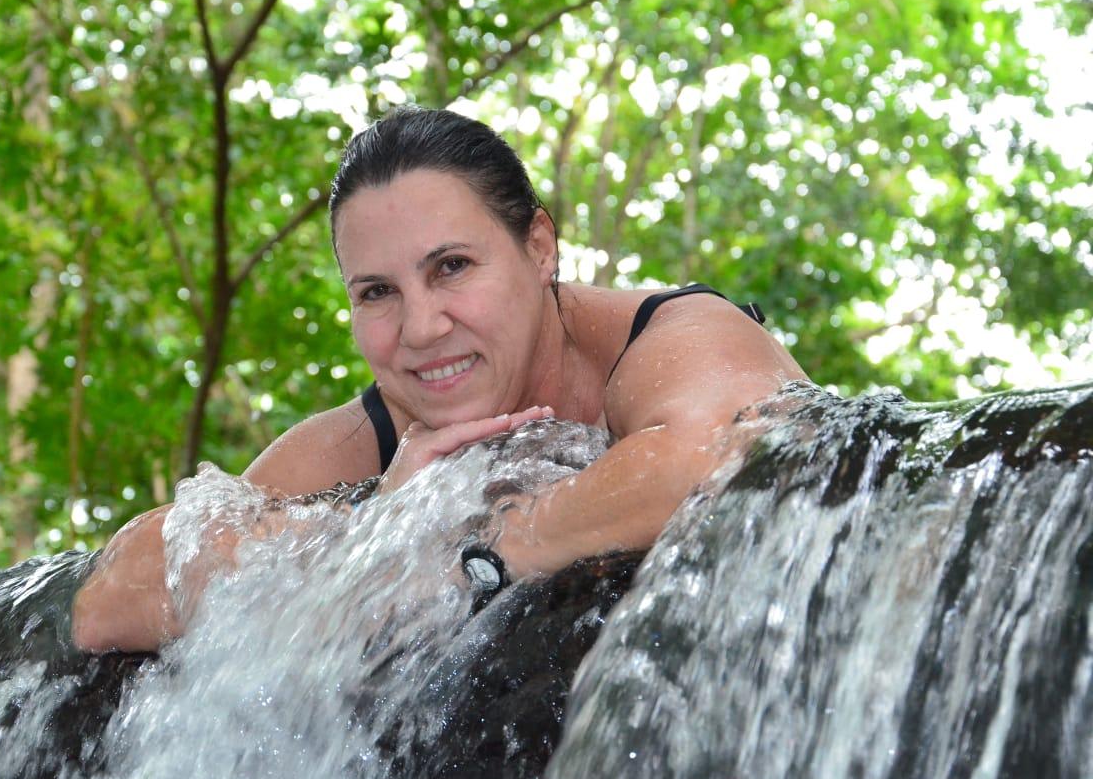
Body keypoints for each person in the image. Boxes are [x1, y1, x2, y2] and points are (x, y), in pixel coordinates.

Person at [72, 106, 807, 653]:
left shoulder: (672, 339)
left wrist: (460, 548)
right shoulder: (371, 439)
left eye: (451, 267)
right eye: (377, 292)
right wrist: (366, 529)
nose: (420, 327)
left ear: (540, 246)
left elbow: (729, 454)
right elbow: (113, 596)